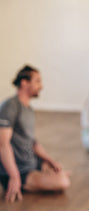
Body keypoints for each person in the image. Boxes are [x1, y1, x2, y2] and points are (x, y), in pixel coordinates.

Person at [0, 65, 71, 202]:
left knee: (59, 170)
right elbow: (2, 144)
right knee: (63, 182)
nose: (41, 86)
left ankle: (47, 174)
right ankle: (24, 183)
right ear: (24, 83)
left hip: (31, 163)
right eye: (37, 81)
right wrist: (14, 176)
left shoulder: (29, 109)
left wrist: (50, 160)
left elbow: (32, 142)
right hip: (19, 170)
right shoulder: (10, 106)